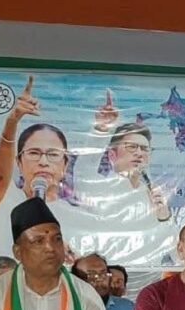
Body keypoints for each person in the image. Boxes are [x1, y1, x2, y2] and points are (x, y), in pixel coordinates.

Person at [0, 76, 81, 264]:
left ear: (65, 165)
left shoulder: (74, 215)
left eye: (53, 154)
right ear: (19, 163)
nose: (43, 162)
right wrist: (12, 121)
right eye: (34, 153)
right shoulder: (7, 199)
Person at [72, 111, 176, 265]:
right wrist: (101, 129)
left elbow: (170, 247)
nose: (139, 153)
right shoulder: (96, 187)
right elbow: (84, 166)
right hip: (105, 273)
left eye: (144, 149)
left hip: (146, 274)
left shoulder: (155, 196)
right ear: (112, 155)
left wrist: (164, 218)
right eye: (132, 147)